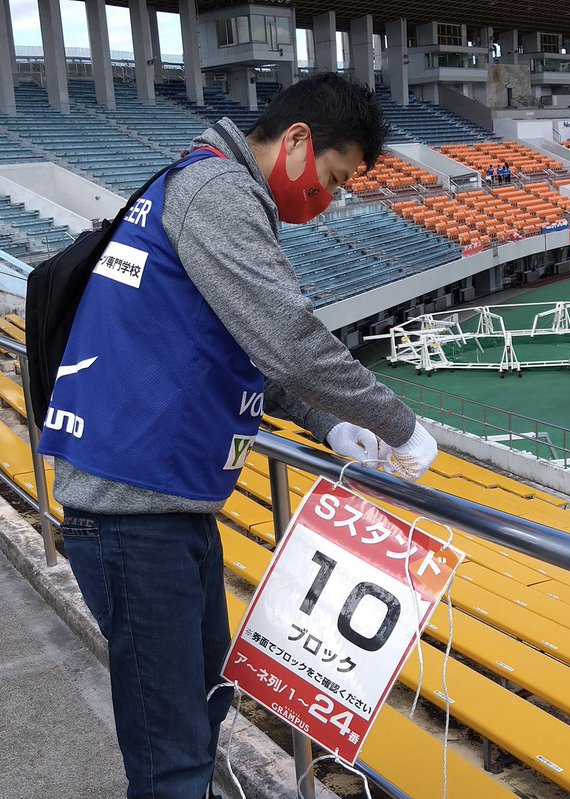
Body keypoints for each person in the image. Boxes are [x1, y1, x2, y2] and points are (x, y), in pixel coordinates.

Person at [36, 74, 438, 799]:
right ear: (297, 141)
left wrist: (331, 421)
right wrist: (398, 426)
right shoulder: (217, 192)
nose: (327, 199)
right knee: (172, 758)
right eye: (332, 178)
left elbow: (244, 349)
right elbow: (286, 336)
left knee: (204, 702)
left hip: (167, 503)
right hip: (132, 511)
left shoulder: (211, 188)